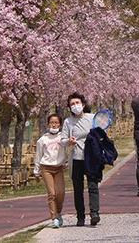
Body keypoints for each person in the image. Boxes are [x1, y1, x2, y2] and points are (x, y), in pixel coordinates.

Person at [61, 92, 99, 227]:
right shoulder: (68, 122)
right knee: (78, 189)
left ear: (83, 104)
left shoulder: (92, 118)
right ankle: (80, 216)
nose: (75, 106)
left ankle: (94, 213)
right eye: (72, 104)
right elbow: (63, 140)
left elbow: (100, 133)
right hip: (76, 157)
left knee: (93, 186)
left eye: (77, 103)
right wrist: (68, 141)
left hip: (91, 157)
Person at [34, 113, 68, 229]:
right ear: (48, 124)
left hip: (58, 168)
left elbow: (68, 149)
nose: (54, 125)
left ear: (60, 124)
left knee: (60, 193)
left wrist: (66, 162)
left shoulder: (62, 138)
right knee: (52, 194)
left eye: (56, 122)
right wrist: (36, 171)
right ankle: (54, 218)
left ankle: (58, 212)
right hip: (46, 168)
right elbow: (38, 155)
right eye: (52, 122)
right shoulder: (43, 139)